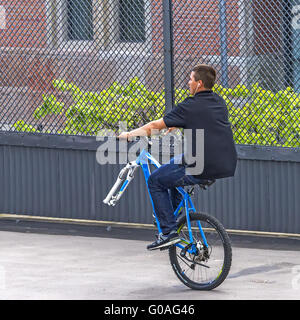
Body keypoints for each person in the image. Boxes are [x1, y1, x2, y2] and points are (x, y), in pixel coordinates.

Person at [118, 64, 237, 250]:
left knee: (156, 181)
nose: (188, 82)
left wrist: (129, 134)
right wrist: (177, 123)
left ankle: (168, 232)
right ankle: (173, 218)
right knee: (172, 169)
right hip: (224, 163)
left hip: (200, 165)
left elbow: (154, 125)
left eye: (190, 79)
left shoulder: (189, 105)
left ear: (198, 83)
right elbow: (205, 120)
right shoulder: (218, 101)